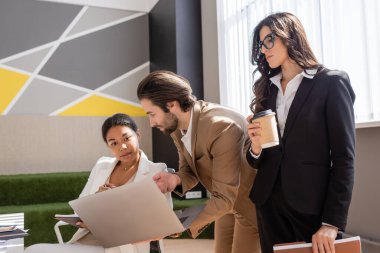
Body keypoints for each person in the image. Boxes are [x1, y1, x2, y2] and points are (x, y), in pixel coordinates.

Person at [246, 12, 355, 253]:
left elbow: (344, 158)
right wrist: (255, 146)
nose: (263, 50)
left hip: (311, 206)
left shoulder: (331, 83)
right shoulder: (267, 88)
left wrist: (332, 223)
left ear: (289, 36)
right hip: (268, 202)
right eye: (260, 45)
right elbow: (257, 159)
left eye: (268, 41)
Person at [137, 70, 261, 253]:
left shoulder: (220, 126)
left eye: (152, 114)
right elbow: (189, 170)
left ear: (171, 105)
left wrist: (172, 225)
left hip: (250, 205)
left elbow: (226, 198)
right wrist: (174, 179)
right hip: (226, 203)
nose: (151, 123)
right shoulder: (177, 127)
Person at [25, 113, 171, 253]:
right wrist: (97, 199)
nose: (122, 147)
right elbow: (80, 206)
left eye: (126, 138)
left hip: (123, 246)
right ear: (109, 146)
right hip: (87, 239)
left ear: (138, 135)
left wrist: (115, 204)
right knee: (32, 249)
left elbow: (161, 222)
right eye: (114, 143)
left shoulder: (157, 171)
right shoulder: (102, 166)